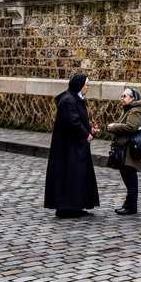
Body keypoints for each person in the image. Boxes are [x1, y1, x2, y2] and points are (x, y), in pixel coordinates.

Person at [44, 72, 100, 219]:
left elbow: (80, 120)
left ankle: (75, 206)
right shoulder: (68, 100)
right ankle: (65, 208)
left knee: (77, 176)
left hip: (76, 146)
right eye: (86, 85)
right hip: (68, 148)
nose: (87, 88)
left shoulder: (75, 99)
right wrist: (85, 135)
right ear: (80, 86)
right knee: (69, 176)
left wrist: (90, 130)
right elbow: (72, 122)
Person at [107, 87, 141, 216]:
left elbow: (131, 127)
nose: (122, 98)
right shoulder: (129, 110)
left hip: (129, 151)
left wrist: (114, 127)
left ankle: (131, 206)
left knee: (130, 178)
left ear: (132, 99)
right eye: (122, 96)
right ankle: (129, 204)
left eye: (124, 96)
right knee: (128, 178)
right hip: (126, 150)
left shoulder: (134, 111)